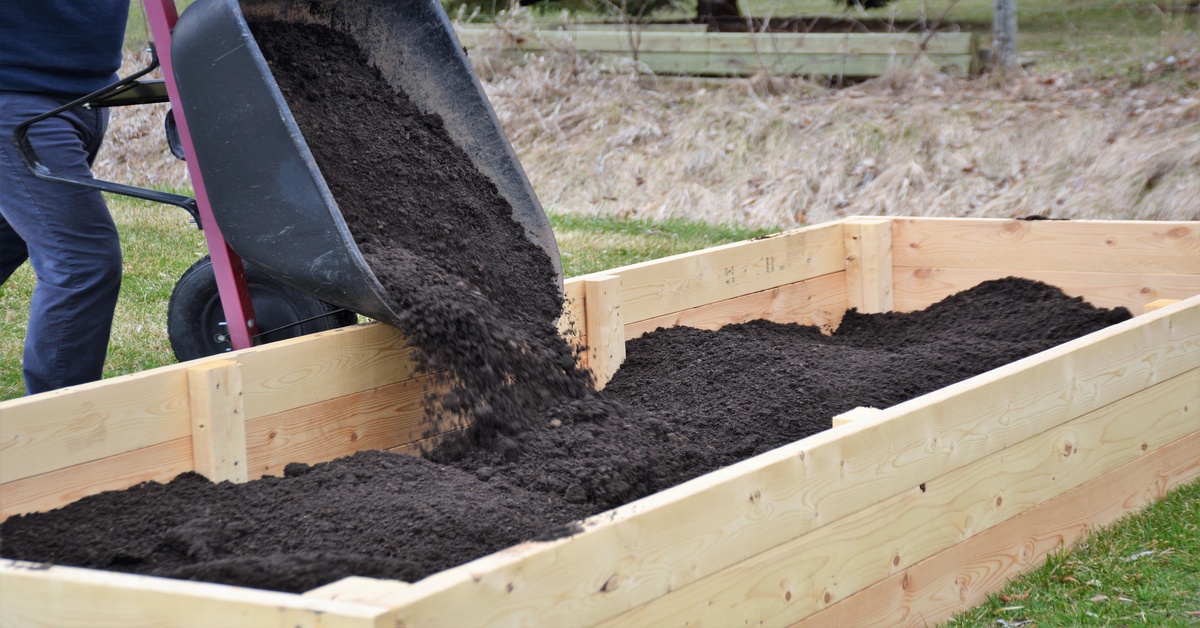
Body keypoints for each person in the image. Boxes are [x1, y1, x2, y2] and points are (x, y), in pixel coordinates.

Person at [0, 1, 132, 394]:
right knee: (82, 262)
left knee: (9, 240)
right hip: (16, 97)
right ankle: (57, 435)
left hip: (87, 93)